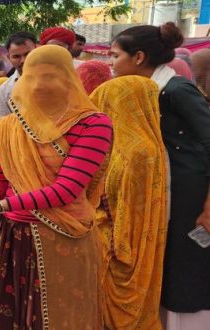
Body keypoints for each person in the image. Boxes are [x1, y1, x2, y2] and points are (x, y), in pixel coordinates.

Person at [0, 45, 112, 329]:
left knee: (62, 318)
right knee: (10, 317)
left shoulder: (93, 125)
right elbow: (0, 182)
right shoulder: (9, 125)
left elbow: (66, 190)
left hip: (62, 236)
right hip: (12, 237)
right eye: (32, 76)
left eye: (49, 76)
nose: (39, 85)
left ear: (68, 79)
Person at [110, 22, 210, 329]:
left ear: (138, 58)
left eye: (115, 56)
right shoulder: (147, 90)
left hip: (191, 199)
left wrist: (208, 207)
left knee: (186, 274)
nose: (111, 64)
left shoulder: (177, 90)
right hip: (171, 194)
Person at [90, 76, 168, 329]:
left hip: (121, 252)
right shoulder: (146, 144)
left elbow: (123, 215)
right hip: (135, 247)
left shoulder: (134, 152)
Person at [0, 32, 37, 121]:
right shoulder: (4, 90)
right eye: (16, 56)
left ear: (37, 50)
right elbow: (3, 127)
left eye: (27, 54)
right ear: (9, 57)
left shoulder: (56, 79)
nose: (23, 60)